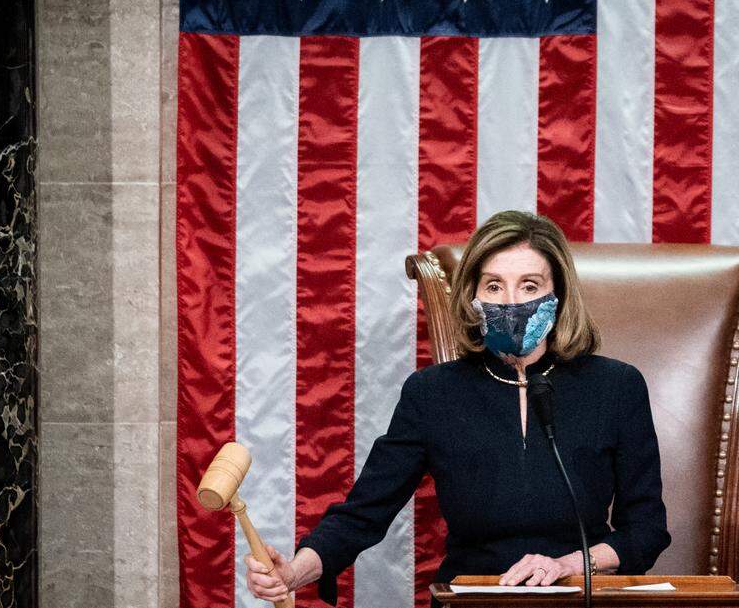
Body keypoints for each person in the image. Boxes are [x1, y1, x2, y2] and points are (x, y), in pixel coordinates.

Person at [243, 210, 671, 606]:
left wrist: (567, 565)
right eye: (494, 286)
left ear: (557, 295)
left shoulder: (616, 386)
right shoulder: (433, 393)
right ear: (473, 297)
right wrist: (294, 572)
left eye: (529, 285)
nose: (510, 302)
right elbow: (364, 513)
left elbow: (646, 530)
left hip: (580, 596)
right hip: (471, 598)